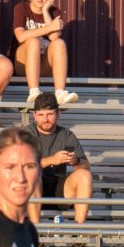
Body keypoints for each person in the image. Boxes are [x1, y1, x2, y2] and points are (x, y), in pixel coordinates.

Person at [24, 93, 94, 226]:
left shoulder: (67, 134)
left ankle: (80, 231)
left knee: (85, 175)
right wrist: (51, 160)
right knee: (33, 175)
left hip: (60, 186)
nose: (45, 119)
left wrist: (76, 161)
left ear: (58, 114)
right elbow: (21, 166)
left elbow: (86, 165)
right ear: (34, 116)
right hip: (32, 187)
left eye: (50, 114)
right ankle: (36, 231)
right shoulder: (27, 133)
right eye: (41, 115)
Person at [9, 0, 75, 108]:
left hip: (44, 65)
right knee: (33, 41)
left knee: (60, 43)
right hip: (23, 63)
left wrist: (45, 10)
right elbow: (21, 36)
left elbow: (54, 37)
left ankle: (60, 92)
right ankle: (34, 92)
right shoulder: (21, 8)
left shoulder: (54, 12)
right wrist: (50, 27)